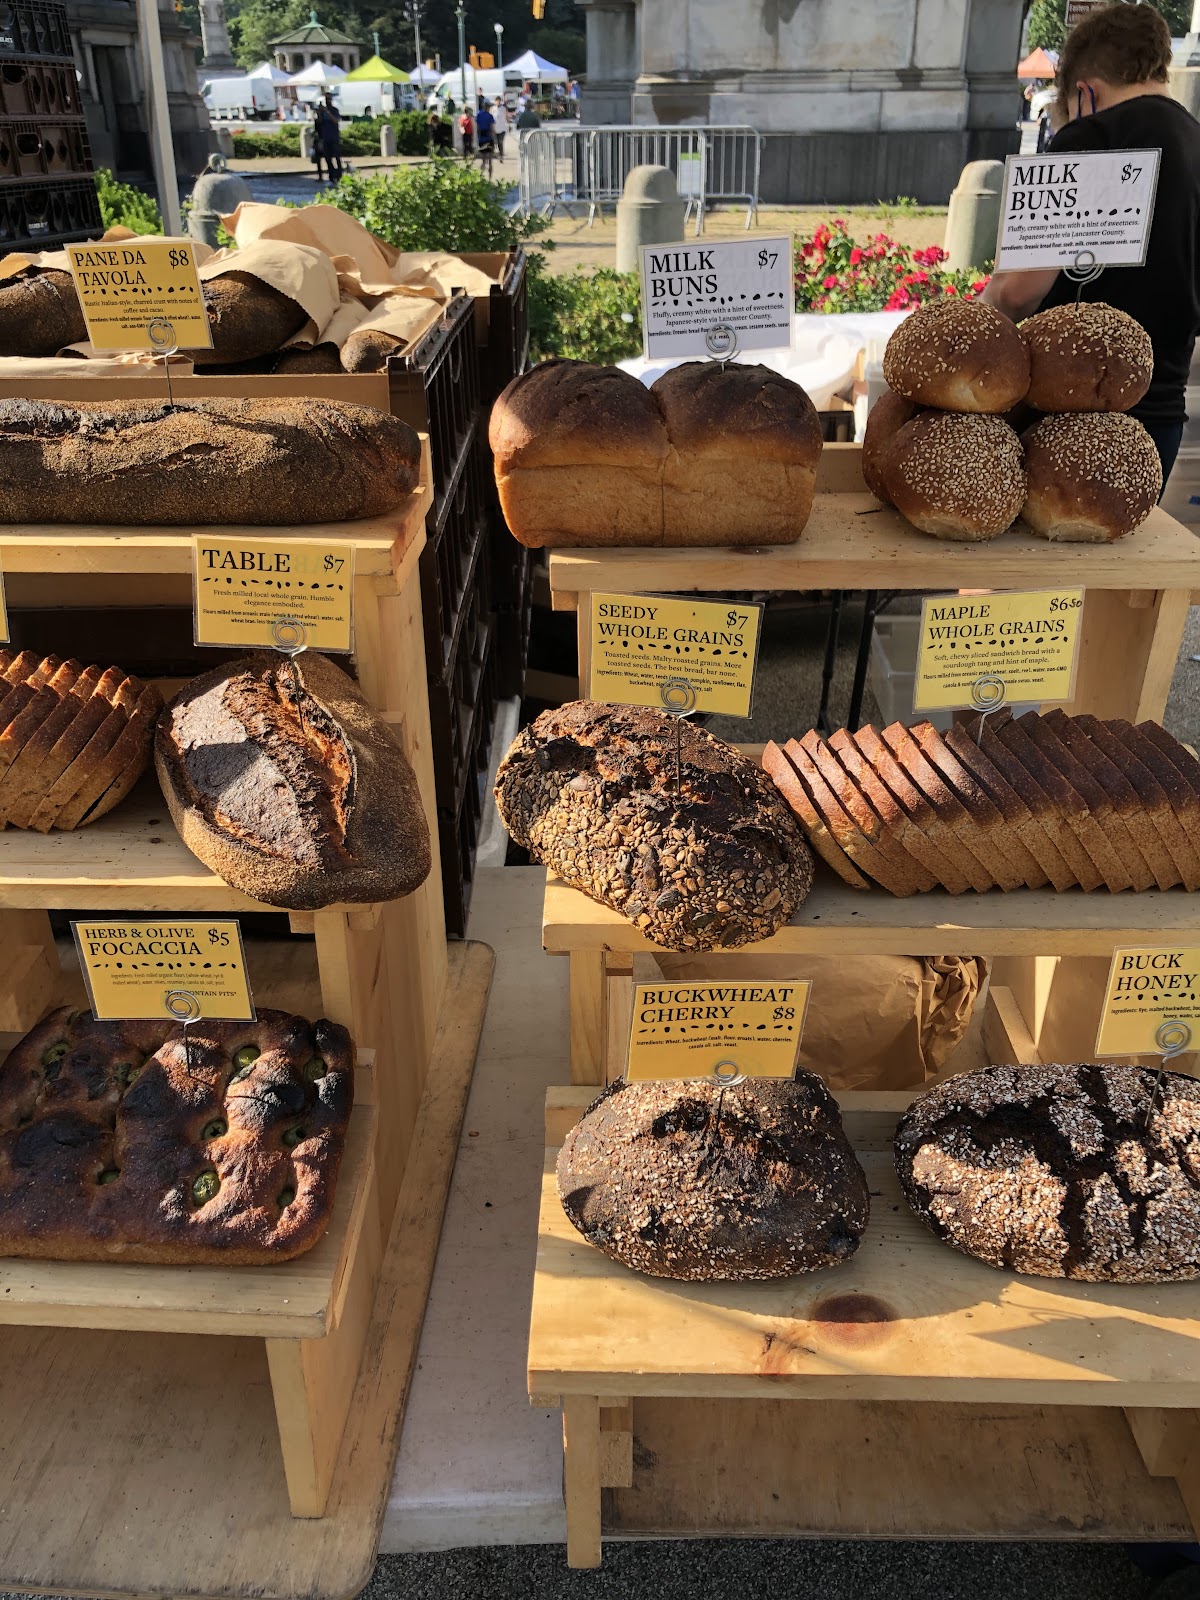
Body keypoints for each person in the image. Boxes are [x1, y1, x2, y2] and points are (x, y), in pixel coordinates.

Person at [983, 3, 1200, 486]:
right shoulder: (1194, 140)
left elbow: (1019, 290)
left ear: (1084, 94)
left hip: (1070, 415)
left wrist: (978, 328)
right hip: (1159, 421)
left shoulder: (1094, 135)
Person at [313, 94, 342, 184]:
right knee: (327, 158)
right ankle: (331, 177)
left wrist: (328, 112)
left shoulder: (334, 110)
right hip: (325, 138)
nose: (328, 101)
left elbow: (336, 121)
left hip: (334, 137)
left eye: (329, 99)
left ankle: (339, 176)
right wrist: (319, 114)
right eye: (326, 99)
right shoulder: (322, 112)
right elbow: (319, 123)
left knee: (337, 158)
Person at [474, 98, 495, 176]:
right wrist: (494, 139)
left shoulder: (479, 115)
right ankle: (490, 177)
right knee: (490, 160)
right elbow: (492, 128)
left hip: (481, 139)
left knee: (483, 160)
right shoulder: (490, 116)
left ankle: (481, 176)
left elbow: (477, 128)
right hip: (489, 138)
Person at [491, 95, 508, 160]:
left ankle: (501, 153)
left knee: (500, 141)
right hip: (495, 128)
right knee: (496, 141)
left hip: (502, 127)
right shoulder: (493, 108)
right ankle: (498, 153)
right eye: (496, 101)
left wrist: (507, 125)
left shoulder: (503, 108)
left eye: (498, 101)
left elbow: (506, 117)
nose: (497, 102)